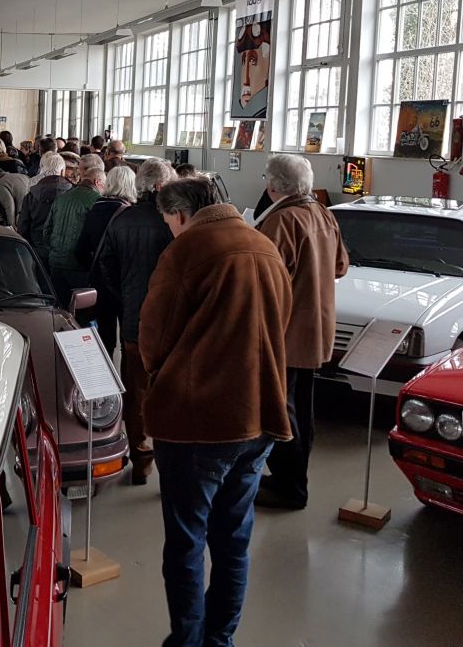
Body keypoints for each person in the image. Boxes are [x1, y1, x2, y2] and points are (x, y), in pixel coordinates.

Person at [139, 175, 292, 647]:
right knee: (233, 541)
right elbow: (281, 321)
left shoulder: (186, 251)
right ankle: (219, 639)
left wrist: (163, 376)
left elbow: (153, 338)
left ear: (180, 214)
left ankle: (186, 641)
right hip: (259, 414)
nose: (170, 230)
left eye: (168, 222)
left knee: (186, 543)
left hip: (198, 421)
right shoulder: (264, 246)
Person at [254, 155, 349, 510]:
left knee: (281, 410)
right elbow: (341, 266)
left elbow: (263, 279)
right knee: (303, 409)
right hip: (317, 328)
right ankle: (294, 479)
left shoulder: (282, 220)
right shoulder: (323, 213)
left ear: (273, 185)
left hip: (286, 332)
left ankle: (290, 487)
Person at [93, 158, 176, 484]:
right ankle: (170, 461)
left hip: (132, 321)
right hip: (169, 323)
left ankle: (141, 458)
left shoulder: (121, 219)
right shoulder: (173, 222)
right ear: (161, 187)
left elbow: (105, 265)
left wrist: (125, 297)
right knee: (169, 391)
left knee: (136, 391)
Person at [77, 164, 137, 358]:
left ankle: (106, 370)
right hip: (125, 283)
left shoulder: (95, 209)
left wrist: (95, 268)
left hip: (100, 283)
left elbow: (80, 250)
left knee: (104, 338)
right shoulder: (131, 214)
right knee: (129, 338)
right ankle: (126, 374)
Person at [43, 159, 105, 303]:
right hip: (79, 265)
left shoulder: (62, 197)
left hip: (55, 261)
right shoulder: (97, 201)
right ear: (97, 182)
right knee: (80, 307)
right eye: (105, 185)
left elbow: (46, 231)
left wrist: (53, 249)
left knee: (59, 305)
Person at [17, 152, 71, 264]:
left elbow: (23, 226)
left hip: (37, 249)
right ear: (62, 171)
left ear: (42, 170)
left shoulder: (32, 195)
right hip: (65, 250)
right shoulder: (71, 193)